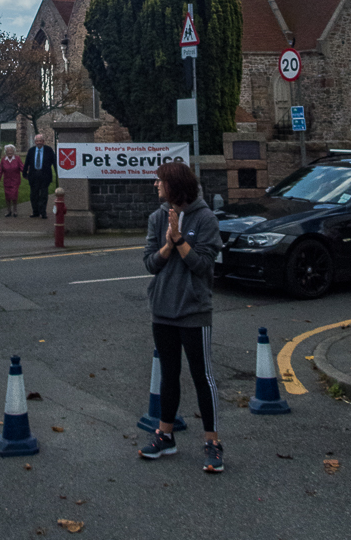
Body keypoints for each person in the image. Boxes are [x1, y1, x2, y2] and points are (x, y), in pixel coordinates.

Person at [138, 161, 224, 473]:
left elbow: (203, 265)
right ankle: (165, 435)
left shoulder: (206, 219)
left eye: (160, 181)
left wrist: (180, 241)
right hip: (162, 309)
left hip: (193, 311)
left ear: (174, 185)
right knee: (168, 376)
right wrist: (166, 244)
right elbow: (150, 263)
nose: (156, 185)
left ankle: (212, 442)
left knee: (203, 377)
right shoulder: (157, 217)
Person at [22, 133, 57, 218]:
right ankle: (35, 211)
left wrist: (57, 172)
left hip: (45, 175)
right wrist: (24, 173)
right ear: (35, 142)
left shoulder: (48, 150)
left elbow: (54, 162)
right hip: (34, 175)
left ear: (43, 141)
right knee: (34, 194)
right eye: (37, 141)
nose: (38, 143)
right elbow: (27, 163)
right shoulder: (31, 150)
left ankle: (43, 212)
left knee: (44, 194)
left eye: (40, 141)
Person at [0, 143, 22, 217]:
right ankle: (9, 210)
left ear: (14, 151)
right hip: (7, 181)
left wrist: (28, 174)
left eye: (11, 151)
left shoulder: (17, 158)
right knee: (7, 196)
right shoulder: (3, 159)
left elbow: (22, 168)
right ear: (5, 152)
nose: (9, 152)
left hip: (15, 180)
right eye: (8, 151)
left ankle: (15, 210)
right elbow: (0, 170)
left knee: (14, 195)